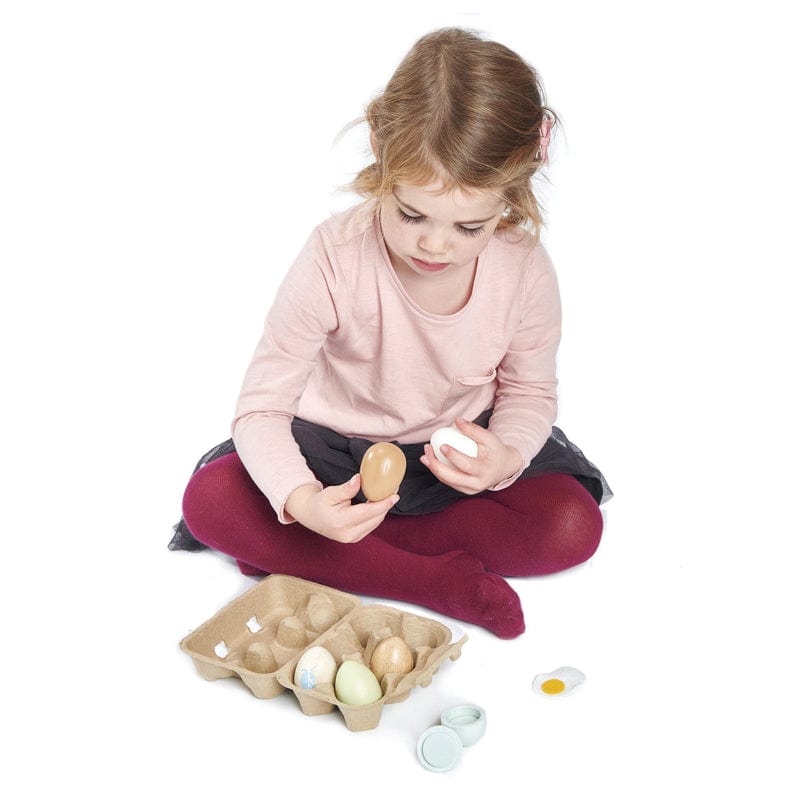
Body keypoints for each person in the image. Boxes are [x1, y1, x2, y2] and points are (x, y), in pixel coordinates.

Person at [177, 27, 612, 639]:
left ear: (511, 196)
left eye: (470, 227)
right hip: (332, 454)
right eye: (411, 214)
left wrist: (506, 457)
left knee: (572, 524)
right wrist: (302, 500)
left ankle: (317, 553)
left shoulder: (525, 271)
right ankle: (427, 580)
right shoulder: (335, 255)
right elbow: (261, 410)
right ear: (381, 154)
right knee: (209, 503)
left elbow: (529, 394)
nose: (435, 244)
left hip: (448, 462)